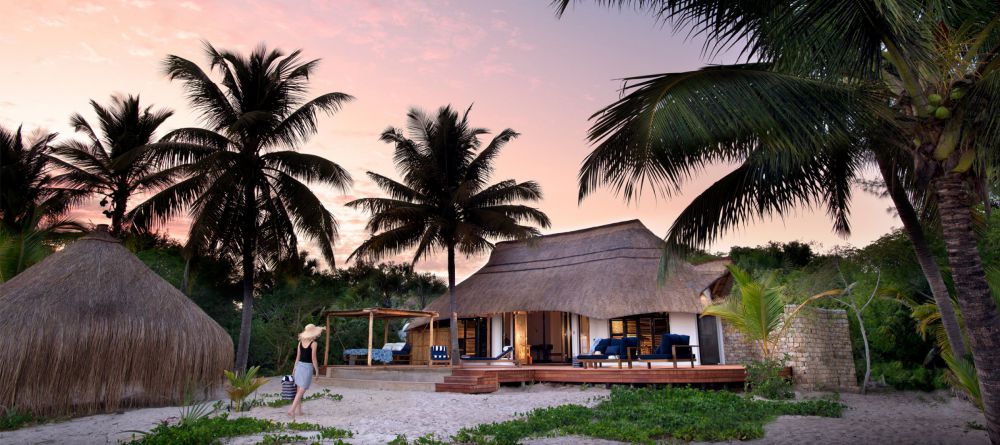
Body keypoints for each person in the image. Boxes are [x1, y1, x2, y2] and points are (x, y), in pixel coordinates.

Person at [288, 323, 323, 417]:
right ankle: (291, 410)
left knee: (299, 390)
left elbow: (297, 357)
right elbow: (314, 358)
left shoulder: (300, 342)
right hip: (307, 368)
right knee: (301, 390)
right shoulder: (314, 343)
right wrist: (317, 371)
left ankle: (299, 411)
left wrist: (294, 368)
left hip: (299, 366)